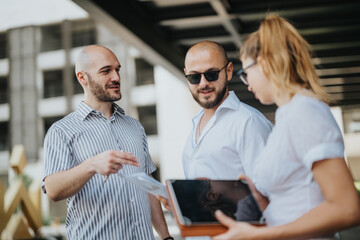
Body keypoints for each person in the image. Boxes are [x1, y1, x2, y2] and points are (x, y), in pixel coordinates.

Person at [213, 15, 360, 240]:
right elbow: (291, 201)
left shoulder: (305, 110)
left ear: (264, 63)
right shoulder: (287, 115)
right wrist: (255, 193)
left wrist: (263, 235)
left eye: (245, 72)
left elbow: (347, 209)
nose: (247, 82)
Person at [43, 45, 173, 240]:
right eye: (106, 71)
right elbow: (53, 189)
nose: (116, 77)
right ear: (82, 78)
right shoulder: (61, 131)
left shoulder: (134, 127)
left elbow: (148, 187)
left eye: (117, 69)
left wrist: (166, 236)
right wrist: (92, 165)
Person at [160, 41, 272, 240]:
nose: (203, 83)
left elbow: (270, 197)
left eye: (211, 74)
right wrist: (181, 201)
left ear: (228, 71)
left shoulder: (248, 122)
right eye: (194, 77)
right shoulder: (195, 125)